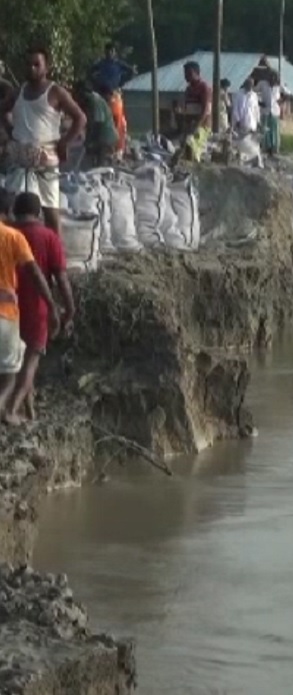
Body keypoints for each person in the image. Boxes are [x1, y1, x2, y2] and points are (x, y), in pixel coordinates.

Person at [0, 45, 87, 235]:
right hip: (20, 160)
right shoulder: (18, 92)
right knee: (8, 208)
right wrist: (11, 132)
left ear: (46, 67)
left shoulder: (56, 92)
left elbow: (80, 118)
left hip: (46, 160)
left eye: (36, 64)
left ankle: (55, 255)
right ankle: (10, 251)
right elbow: (3, 111)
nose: (32, 68)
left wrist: (65, 142)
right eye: (29, 64)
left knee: (50, 212)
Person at [5, 193, 72, 424]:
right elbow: (61, 278)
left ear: (15, 211)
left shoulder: (10, 233)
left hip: (9, 307)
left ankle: (30, 413)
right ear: (39, 213)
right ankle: (10, 410)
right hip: (37, 306)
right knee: (31, 361)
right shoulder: (48, 237)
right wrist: (68, 309)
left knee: (16, 362)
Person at [89, 43, 134, 156]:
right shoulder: (101, 64)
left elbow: (131, 71)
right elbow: (90, 72)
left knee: (117, 120)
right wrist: (95, 83)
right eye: (108, 51)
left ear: (114, 53)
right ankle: (99, 145)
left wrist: (122, 81)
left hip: (114, 94)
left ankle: (116, 146)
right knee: (99, 119)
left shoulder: (118, 64)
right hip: (102, 94)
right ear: (105, 52)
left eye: (112, 51)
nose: (109, 53)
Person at [173, 61, 211, 163]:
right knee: (182, 145)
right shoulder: (188, 89)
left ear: (195, 73)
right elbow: (186, 110)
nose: (185, 76)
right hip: (190, 125)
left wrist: (197, 126)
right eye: (184, 73)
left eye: (188, 73)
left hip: (201, 126)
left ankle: (195, 167)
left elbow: (205, 110)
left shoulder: (203, 87)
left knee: (191, 144)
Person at [75, 81, 118, 169]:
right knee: (94, 161)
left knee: (99, 165)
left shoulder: (93, 100)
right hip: (103, 136)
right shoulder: (94, 99)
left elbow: (97, 122)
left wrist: (89, 140)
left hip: (105, 136)